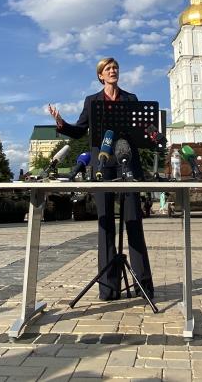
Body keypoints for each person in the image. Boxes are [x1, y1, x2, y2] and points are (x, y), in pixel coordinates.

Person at [48, 56, 153, 301]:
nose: (113, 70)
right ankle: (108, 288)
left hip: (127, 161)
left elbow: (141, 128)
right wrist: (61, 123)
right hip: (102, 162)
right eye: (108, 68)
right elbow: (80, 130)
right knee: (105, 221)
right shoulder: (92, 101)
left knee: (133, 220)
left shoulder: (131, 99)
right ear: (100, 75)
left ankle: (143, 285)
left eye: (115, 67)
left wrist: (153, 134)